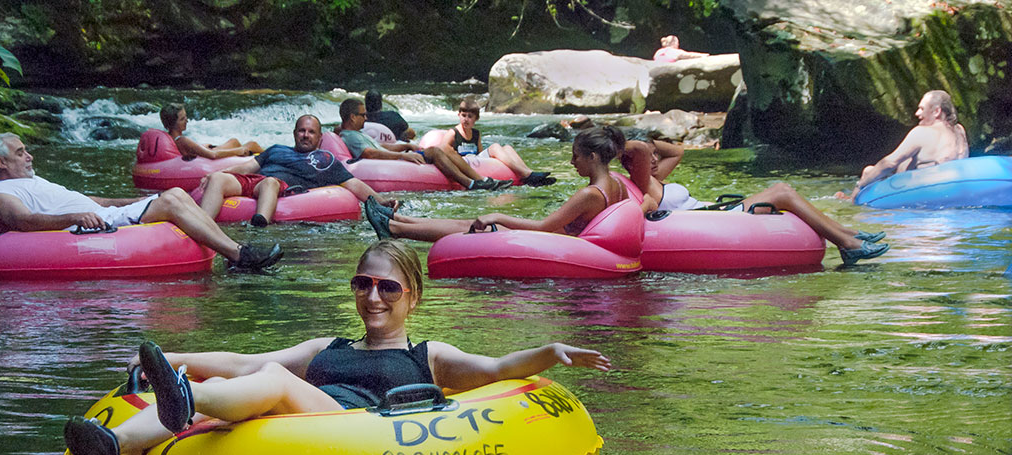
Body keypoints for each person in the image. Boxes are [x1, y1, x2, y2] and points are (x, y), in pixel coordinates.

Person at [63, 240, 611, 455]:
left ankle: (187, 398)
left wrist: (549, 353)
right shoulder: (329, 347)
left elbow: (496, 370)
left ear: (412, 296)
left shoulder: (428, 356)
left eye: (388, 288)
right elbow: (242, 358)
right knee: (265, 377)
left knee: (273, 381)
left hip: (355, 433)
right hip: (291, 427)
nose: (374, 297)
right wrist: (173, 353)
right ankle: (113, 445)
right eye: (363, 284)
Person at [0, 133, 282, 271]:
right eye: (20, 152)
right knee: (175, 199)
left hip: (100, 215)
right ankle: (238, 255)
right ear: (1, 162)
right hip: (87, 227)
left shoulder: (33, 181)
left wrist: (135, 200)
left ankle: (235, 252)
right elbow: (23, 221)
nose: (29, 155)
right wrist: (76, 217)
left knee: (172, 193)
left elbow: (92, 200)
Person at [620, 136, 890, 266]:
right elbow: (639, 150)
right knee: (782, 191)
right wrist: (618, 143)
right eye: (650, 157)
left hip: (716, 213)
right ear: (632, 162)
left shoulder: (657, 176)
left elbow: (677, 151)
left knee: (782, 189)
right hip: (714, 221)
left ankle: (846, 235)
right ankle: (847, 242)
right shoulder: (642, 180)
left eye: (657, 154)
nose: (655, 159)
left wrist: (651, 142)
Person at [362, 126, 630, 242]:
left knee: (478, 227)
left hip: (555, 242)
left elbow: (544, 227)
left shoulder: (590, 193)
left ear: (593, 157)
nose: (573, 163)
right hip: (562, 238)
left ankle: (394, 228)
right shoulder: (617, 184)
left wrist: (498, 213)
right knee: (471, 222)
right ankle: (398, 219)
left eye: (576, 156)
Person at [198, 115, 390, 228]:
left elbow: (352, 183)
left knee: (270, 182)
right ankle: (201, 225)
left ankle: (260, 226)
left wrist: (381, 203)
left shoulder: (324, 160)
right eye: (301, 131)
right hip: (254, 181)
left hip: (275, 186)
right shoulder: (275, 149)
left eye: (311, 132)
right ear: (294, 133)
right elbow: (248, 167)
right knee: (218, 178)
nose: (305, 135)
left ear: (319, 137)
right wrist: (221, 172)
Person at [338, 98, 512, 191]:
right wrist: (403, 155)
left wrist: (407, 146)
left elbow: (380, 148)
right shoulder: (350, 136)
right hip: (388, 163)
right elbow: (370, 154)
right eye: (362, 115)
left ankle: (479, 180)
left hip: (391, 158)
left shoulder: (357, 134)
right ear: (352, 117)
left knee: (439, 150)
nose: (366, 117)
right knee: (437, 151)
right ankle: (472, 183)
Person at [838, 90, 969, 200]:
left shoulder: (922, 132)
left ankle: (853, 200)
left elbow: (889, 163)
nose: (917, 113)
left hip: (924, 193)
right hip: (957, 190)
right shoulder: (959, 130)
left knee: (868, 171)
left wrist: (860, 185)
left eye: (921, 109)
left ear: (936, 111)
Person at [434, 97, 555, 187]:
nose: (466, 119)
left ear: (476, 119)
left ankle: (528, 174)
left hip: (476, 161)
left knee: (507, 147)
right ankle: (526, 174)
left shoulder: (476, 133)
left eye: (470, 116)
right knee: (495, 146)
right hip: (463, 162)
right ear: (458, 115)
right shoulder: (453, 132)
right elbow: (442, 149)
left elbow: (481, 153)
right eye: (463, 115)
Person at [160, 103, 264, 160]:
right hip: (209, 158)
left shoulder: (169, 138)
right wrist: (238, 151)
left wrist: (203, 146)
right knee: (251, 144)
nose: (187, 120)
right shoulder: (182, 140)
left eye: (186, 117)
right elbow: (213, 155)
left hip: (202, 155)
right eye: (182, 119)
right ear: (173, 123)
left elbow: (191, 151)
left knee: (234, 141)